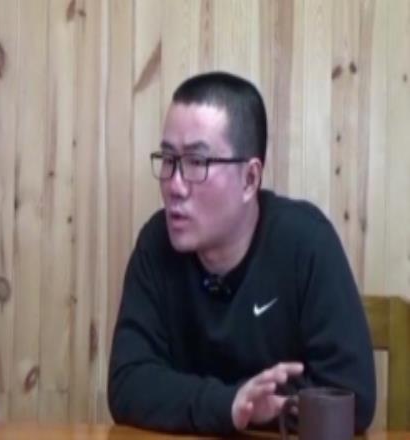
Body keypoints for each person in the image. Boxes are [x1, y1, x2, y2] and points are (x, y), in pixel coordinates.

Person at [107, 71, 375, 436]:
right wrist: (229, 405)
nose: (175, 185)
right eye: (168, 159)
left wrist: (252, 410)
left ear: (250, 179)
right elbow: (128, 384)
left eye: (197, 162)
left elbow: (352, 397)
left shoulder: (306, 243)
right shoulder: (156, 244)